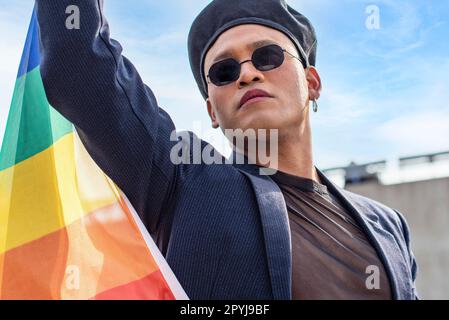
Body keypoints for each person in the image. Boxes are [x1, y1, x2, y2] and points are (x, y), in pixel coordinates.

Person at [35, 0, 418, 299]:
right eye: (224, 71)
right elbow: (78, 64)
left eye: (268, 56)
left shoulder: (388, 226)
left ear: (312, 82)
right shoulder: (182, 184)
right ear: (211, 111)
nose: (248, 73)